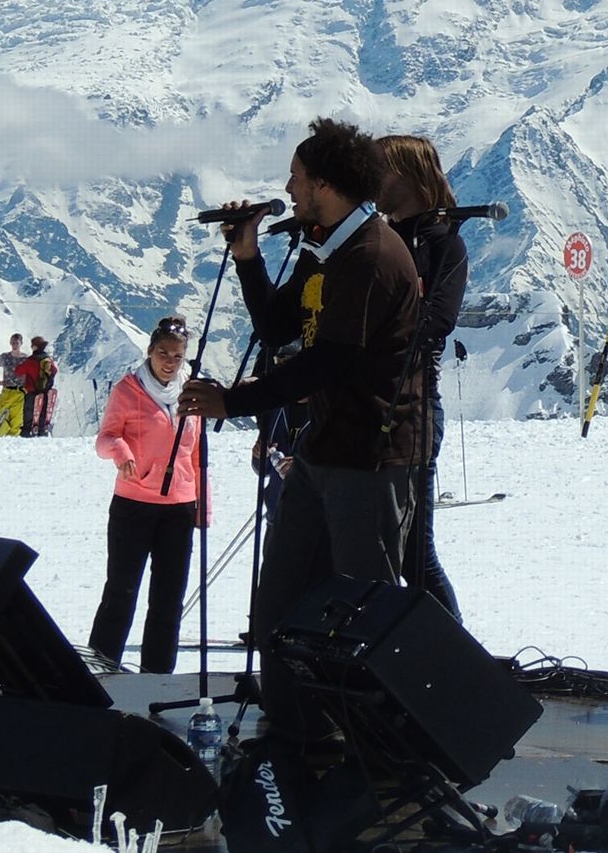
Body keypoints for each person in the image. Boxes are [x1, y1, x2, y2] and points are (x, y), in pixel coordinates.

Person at [179, 117, 421, 746]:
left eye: (296, 177)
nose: (287, 187)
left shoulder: (370, 256)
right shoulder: (328, 250)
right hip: (324, 450)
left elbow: (326, 360)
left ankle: (373, 742)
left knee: (361, 609)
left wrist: (234, 402)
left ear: (325, 184)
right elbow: (278, 330)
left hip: (368, 458)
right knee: (281, 605)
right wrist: (247, 256)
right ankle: (294, 730)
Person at [376, 133, 467, 622]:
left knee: (414, 553)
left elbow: (437, 323)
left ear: (408, 176)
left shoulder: (443, 242)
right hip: (373, 404)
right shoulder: (379, 235)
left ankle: (456, 663)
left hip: (413, 407)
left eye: (379, 170)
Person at [89, 317, 205, 673]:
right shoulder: (128, 390)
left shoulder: (191, 392)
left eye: (177, 355)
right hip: (133, 504)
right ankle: (101, 669)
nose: (169, 362)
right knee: (121, 593)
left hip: (180, 507)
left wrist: (203, 506)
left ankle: (157, 678)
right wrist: (122, 453)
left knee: (168, 602)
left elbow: (198, 456)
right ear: (150, 352)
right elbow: (105, 438)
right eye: (163, 353)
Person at [19, 336, 59, 437]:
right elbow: (54, 370)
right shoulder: (48, 360)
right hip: (45, 391)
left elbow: (18, 371)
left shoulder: (30, 361)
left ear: (35, 347)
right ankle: (42, 431)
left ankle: (27, 431)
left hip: (32, 391)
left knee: (29, 411)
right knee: (42, 412)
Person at [0, 333, 26, 437]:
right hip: (7, 390)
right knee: (1, 414)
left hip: (19, 392)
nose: (14, 345)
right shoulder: (5, 357)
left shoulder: (26, 359)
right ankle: (1, 435)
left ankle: (11, 440)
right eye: (13, 343)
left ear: (21, 343)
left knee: (16, 420)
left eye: (16, 343)